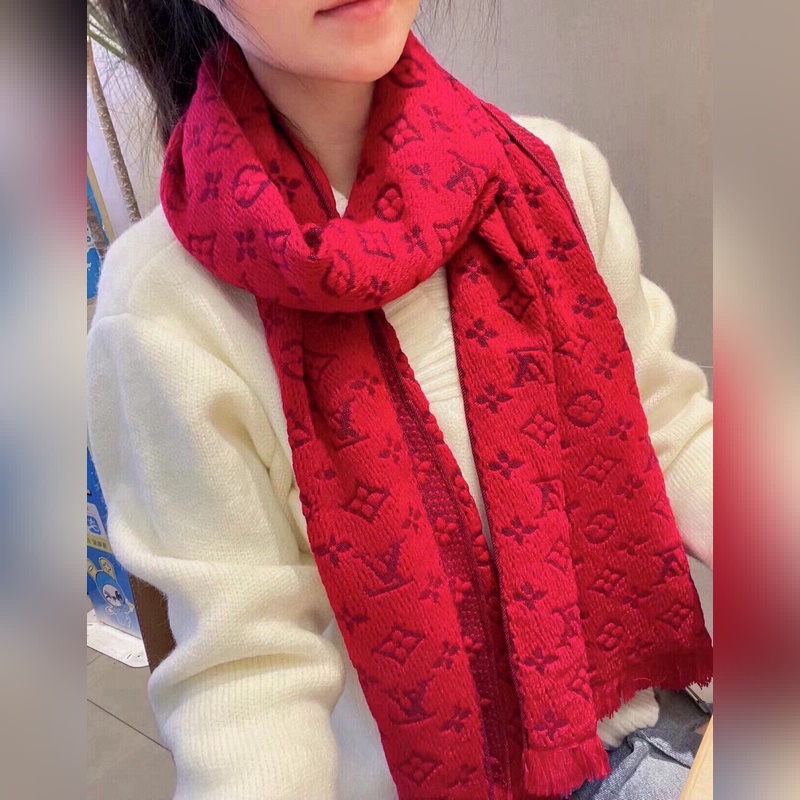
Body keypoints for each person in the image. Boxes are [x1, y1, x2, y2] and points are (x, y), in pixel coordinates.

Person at [87, 1, 713, 798]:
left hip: (654, 721)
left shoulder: (549, 173)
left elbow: (667, 428)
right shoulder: (165, 315)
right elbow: (246, 678)